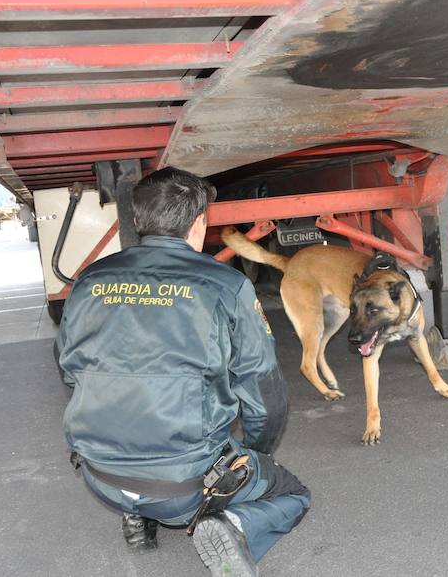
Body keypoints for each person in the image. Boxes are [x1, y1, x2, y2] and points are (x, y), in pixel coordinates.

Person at [56, 167, 309, 576]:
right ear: (199, 221)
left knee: (139, 435)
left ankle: (136, 511)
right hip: (185, 486)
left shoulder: (89, 280)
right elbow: (265, 394)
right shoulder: (225, 286)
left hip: (99, 472)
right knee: (293, 495)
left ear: (138, 221)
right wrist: (255, 455)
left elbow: (69, 371)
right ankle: (230, 525)